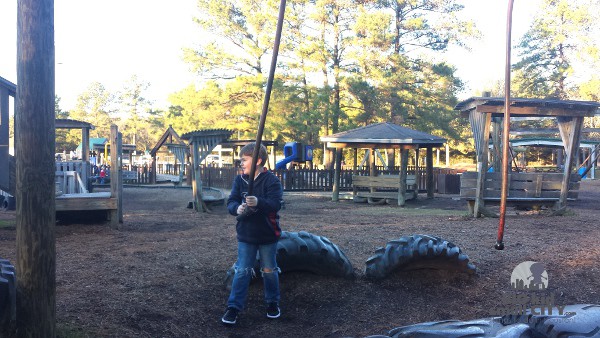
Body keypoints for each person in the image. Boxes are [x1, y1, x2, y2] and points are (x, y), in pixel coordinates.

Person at [221, 142, 283, 326]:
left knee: (269, 270)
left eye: (244, 159)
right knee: (242, 271)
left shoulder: (271, 181)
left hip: (267, 234)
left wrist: (258, 202)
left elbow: (275, 204)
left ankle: (272, 303)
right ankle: (234, 307)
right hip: (246, 234)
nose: (241, 163)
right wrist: (237, 209)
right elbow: (231, 201)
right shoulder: (240, 180)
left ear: (258, 160)